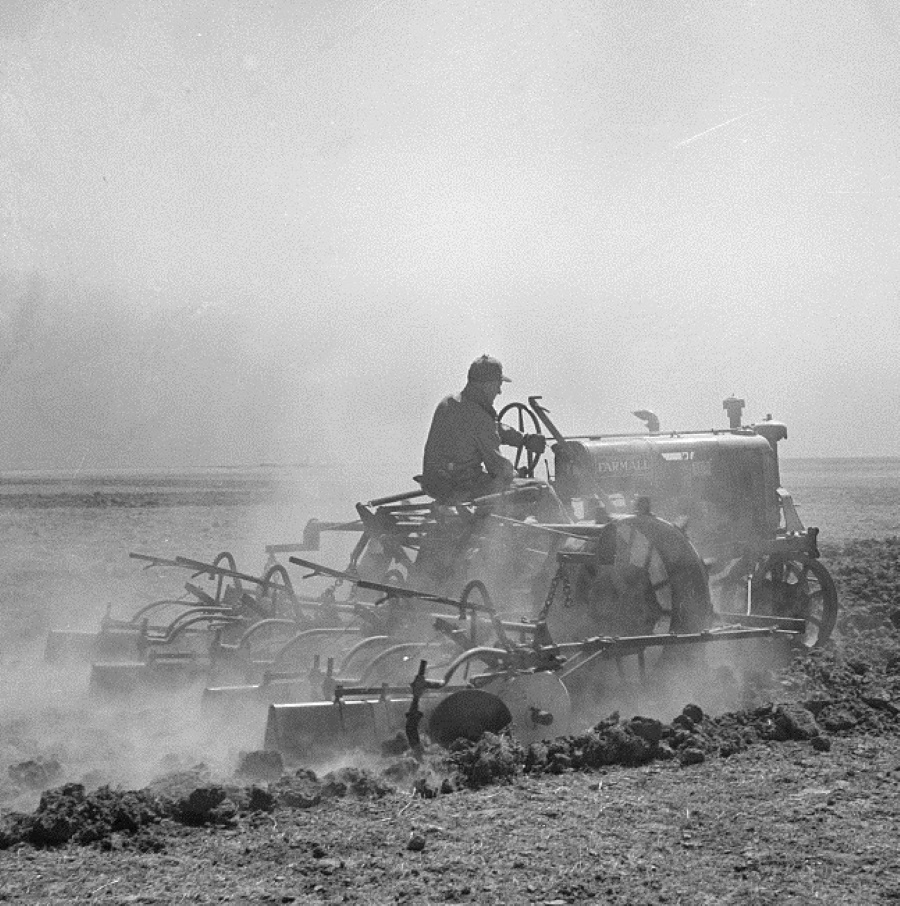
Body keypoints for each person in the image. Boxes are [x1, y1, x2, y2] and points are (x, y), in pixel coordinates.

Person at [420, 355, 546, 502]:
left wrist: (523, 439)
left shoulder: (449, 403)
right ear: (486, 385)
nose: (499, 392)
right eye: (498, 385)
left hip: (438, 485)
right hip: (463, 489)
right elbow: (500, 469)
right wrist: (518, 474)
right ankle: (564, 523)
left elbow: (491, 429)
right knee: (542, 489)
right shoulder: (479, 416)